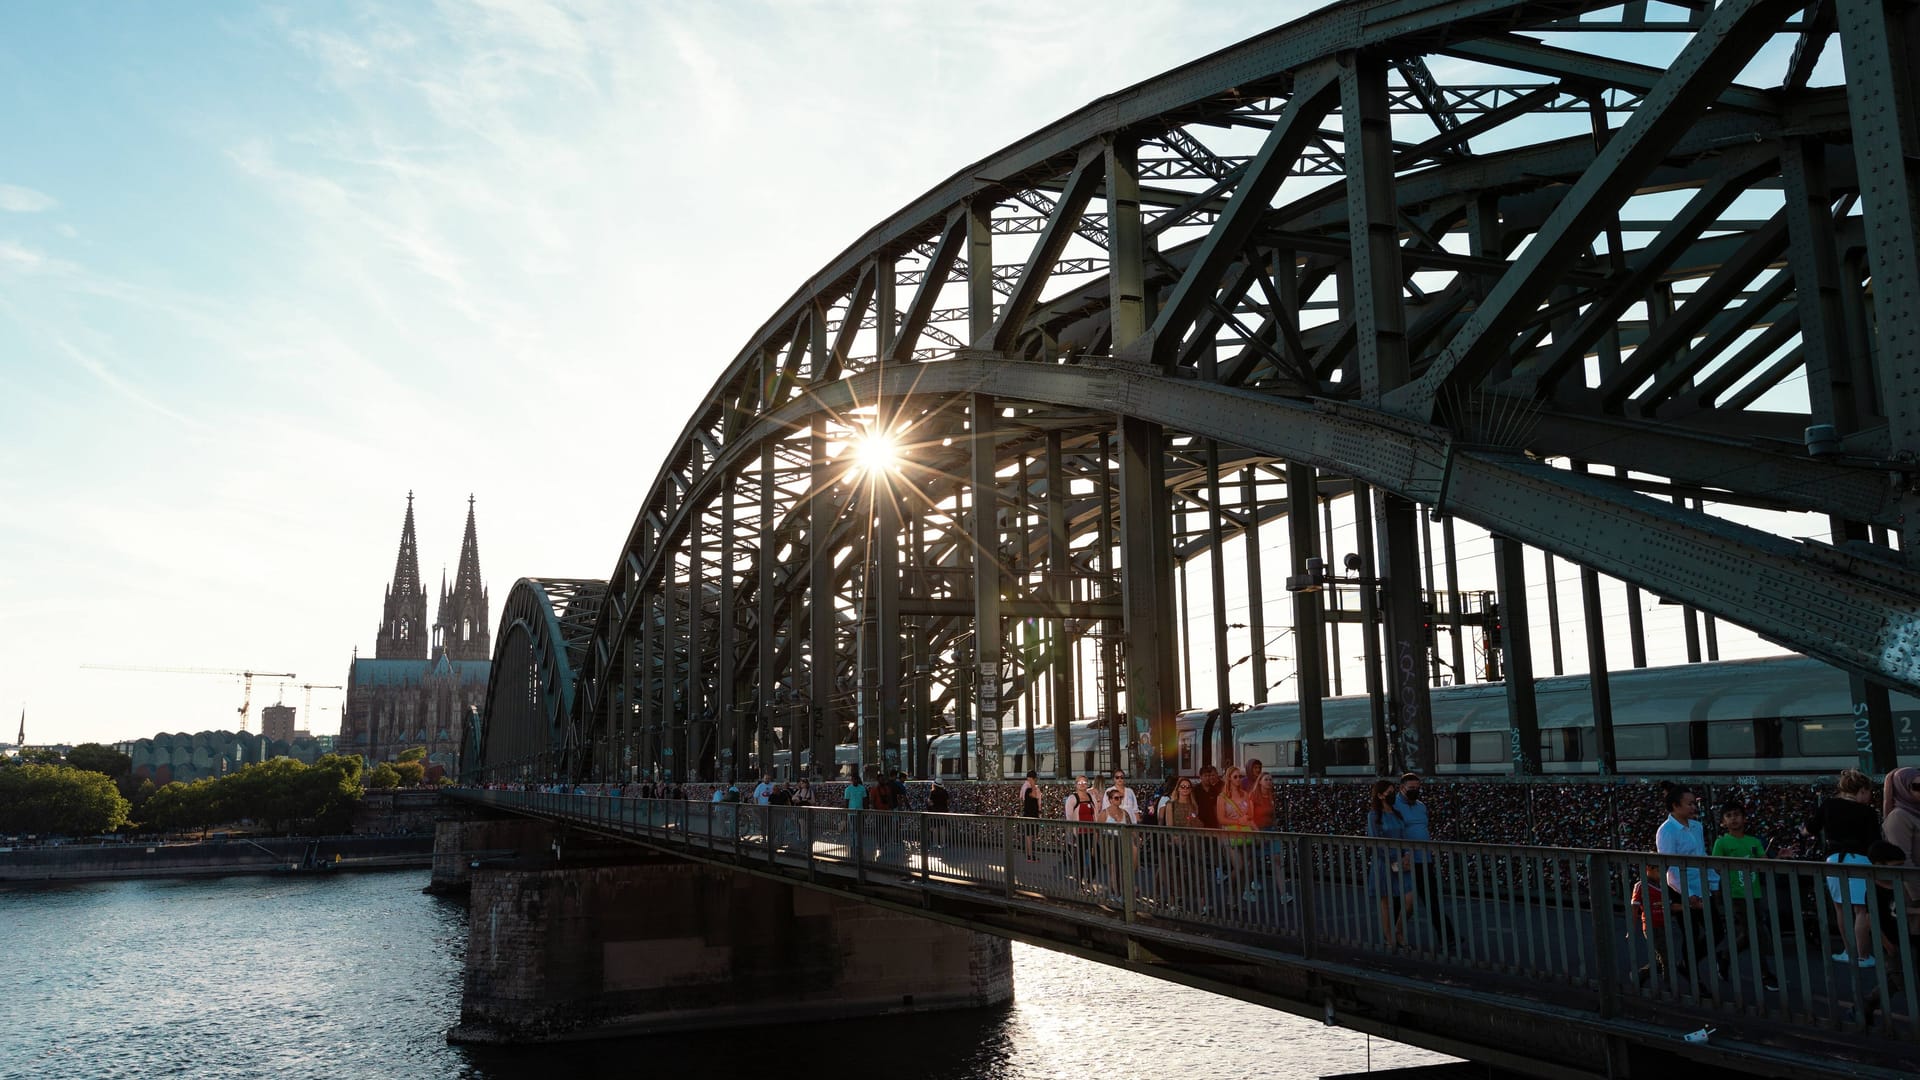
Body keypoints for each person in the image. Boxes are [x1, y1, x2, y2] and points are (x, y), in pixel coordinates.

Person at [1654, 783, 1730, 986]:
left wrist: (1713, 883)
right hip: (1681, 889)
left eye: (1694, 803)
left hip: (1702, 886)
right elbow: (1670, 867)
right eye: (1689, 804)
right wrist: (1687, 895)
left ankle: (1686, 964)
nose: (1694, 807)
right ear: (1675, 806)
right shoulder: (1667, 831)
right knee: (1691, 933)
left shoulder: (1696, 826)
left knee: (1716, 931)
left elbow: (1701, 856)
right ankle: (1693, 976)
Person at [1805, 767, 1882, 966]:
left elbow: (1811, 828)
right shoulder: (1868, 812)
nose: (1869, 797)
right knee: (1861, 910)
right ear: (1862, 790)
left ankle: (1848, 951)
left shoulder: (1829, 805)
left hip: (1834, 860)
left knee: (1840, 908)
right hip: (1860, 860)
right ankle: (1863, 955)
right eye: (1868, 792)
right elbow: (1875, 841)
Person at [1710, 802, 1781, 991]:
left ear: (1744, 818)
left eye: (1737, 815)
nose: (1733, 819)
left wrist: (1778, 857)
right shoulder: (1722, 842)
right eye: (1729, 815)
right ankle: (1766, 974)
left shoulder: (1754, 841)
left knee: (1750, 933)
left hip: (1754, 893)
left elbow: (1764, 863)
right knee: (1755, 932)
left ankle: (1725, 956)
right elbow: (1716, 865)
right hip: (1735, 894)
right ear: (1723, 822)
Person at [1395, 773, 1457, 950]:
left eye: (1417, 788)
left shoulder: (1421, 807)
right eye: (1411, 788)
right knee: (1405, 901)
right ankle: (1395, 933)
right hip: (1406, 859)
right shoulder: (1395, 807)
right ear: (1402, 788)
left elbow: (1423, 828)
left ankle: (1448, 936)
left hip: (1424, 858)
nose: (1415, 791)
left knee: (1430, 898)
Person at [1366, 778, 1414, 947]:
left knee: (1410, 901)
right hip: (1383, 863)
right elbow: (1375, 841)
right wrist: (1394, 859)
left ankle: (1398, 930)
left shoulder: (1397, 814)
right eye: (1389, 792)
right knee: (1385, 903)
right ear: (1379, 795)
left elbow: (1404, 837)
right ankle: (1390, 938)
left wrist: (1406, 854)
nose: (1392, 794)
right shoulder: (1373, 816)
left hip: (1401, 862)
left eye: (1393, 791)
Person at [1631, 863, 1677, 987]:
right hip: (1652, 926)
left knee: (1662, 957)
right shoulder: (1641, 886)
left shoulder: (1663, 886)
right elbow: (1634, 908)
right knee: (1666, 958)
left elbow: (1670, 905)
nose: (1661, 874)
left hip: (1664, 925)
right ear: (1648, 869)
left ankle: (1640, 975)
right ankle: (1669, 986)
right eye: (1658, 871)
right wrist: (1631, 928)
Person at [1883, 767, 1920, 921]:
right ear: (1902, 788)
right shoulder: (1898, 817)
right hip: (1912, 893)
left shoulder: (1915, 812)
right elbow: (1902, 858)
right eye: (1916, 787)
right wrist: (1918, 894)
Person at [1018, 771, 1042, 861]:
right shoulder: (1028, 789)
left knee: (1030, 836)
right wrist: (1033, 784)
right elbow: (1034, 795)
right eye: (1034, 779)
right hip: (1030, 815)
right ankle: (1030, 855)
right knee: (1029, 836)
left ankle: (1029, 855)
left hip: (1031, 814)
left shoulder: (1025, 788)